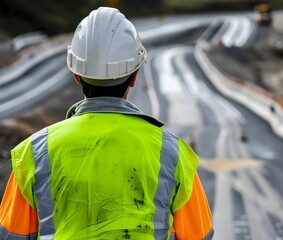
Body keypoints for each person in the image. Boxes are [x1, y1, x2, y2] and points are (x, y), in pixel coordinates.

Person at [0, 7, 213, 240]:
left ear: (76, 75)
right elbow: (198, 236)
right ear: (134, 77)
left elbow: (12, 235)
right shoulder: (173, 153)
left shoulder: (35, 152)